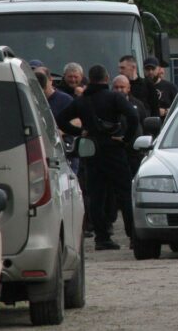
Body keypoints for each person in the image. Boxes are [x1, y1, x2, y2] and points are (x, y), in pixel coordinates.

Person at [56, 64, 139, 250]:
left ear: (89, 79)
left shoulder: (82, 101)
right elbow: (133, 116)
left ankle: (101, 237)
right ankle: (133, 235)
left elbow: (60, 119)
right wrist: (126, 138)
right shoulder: (115, 97)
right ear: (107, 78)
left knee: (96, 195)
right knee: (125, 193)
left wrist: (79, 131)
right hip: (114, 148)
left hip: (92, 150)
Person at [112, 75, 149, 178]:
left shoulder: (138, 104)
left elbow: (145, 124)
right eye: (116, 87)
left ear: (128, 88)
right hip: (115, 153)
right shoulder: (108, 105)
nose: (119, 90)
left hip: (135, 154)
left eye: (122, 87)